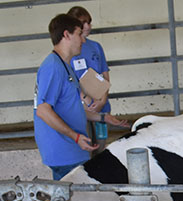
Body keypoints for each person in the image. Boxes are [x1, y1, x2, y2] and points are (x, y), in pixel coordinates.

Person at [33, 14, 127, 180]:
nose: (83, 41)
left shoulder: (64, 65)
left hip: (71, 149)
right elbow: (43, 110)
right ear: (66, 35)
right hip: (64, 151)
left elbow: (70, 107)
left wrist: (103, 117)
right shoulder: (53, 67)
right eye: (78, 34)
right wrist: (74, 136)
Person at [67, 6, 111, 153]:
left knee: (100, 146)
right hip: (81, 109)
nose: (87, 26)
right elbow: (69, 80)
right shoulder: (69, 50)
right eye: (82, 23)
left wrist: (102, 100)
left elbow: (105, 74)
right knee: (85, 149)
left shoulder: (96, 47)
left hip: (100, 106)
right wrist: (84, 100)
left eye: (89, 22)